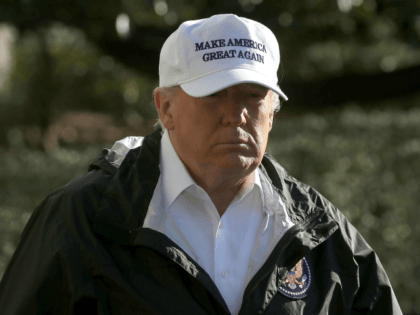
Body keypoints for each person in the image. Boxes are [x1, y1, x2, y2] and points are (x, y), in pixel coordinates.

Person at [0, 14, 402, 315]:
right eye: (215, 95)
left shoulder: (323, 234)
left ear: (274, 111)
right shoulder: (79, 221)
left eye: (252, 96)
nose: (237, 115)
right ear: (166, 108)